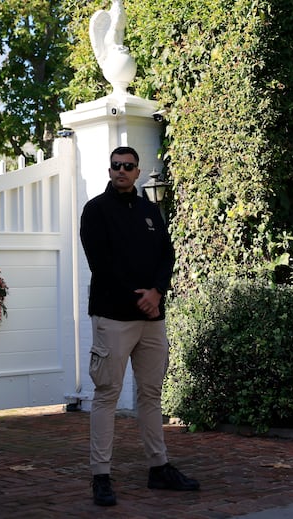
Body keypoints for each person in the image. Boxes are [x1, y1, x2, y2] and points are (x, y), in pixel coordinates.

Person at [79, 146, 200, 507]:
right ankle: (101, 475)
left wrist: (158, 292)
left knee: (151, 395)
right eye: (116, 166)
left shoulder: (150, 211)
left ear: (137, 170)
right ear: (110, 169)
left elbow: (167, 254)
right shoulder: (95, 211)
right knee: (107, 395)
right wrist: (139, 298)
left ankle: (158, 468)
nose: (121, 171)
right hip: (113, 318)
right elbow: (101, 264)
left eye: (128, 166)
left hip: (152, 320)